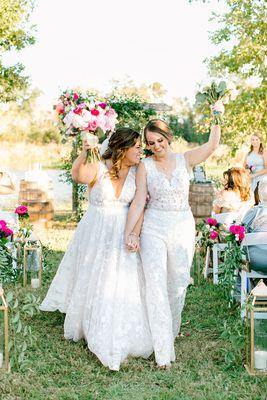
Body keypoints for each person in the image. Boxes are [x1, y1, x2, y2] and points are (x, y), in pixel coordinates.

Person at [40, 128, 153, 371]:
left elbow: (140, 204)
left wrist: (133, 233)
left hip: (123, 229)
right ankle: (86, 318)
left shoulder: (138, 171)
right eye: (136, 146)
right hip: (96, 229)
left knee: (120, 278)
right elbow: (79, 176)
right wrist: (85, 151)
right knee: (92, 275)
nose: (140, 150)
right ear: (122, 148)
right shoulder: (99, 165)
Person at [125, 111, 222, 368]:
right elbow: (138, 201)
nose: (156, 146)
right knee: (155, 284)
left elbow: (212, 145)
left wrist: (216, 116)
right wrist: (131, 232)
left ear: (169, 138)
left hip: (181, 226)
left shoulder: (185, 160)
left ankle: (171, 331)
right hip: (154, 226)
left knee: (177, 284)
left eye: (160, 140)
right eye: (151, 142)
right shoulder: (145, 166)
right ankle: (162, 351)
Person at [242, 179, 267, 274]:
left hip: (255, 261)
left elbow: (241, 231)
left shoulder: (254, 211)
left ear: (259, 194)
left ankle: (240, 287)